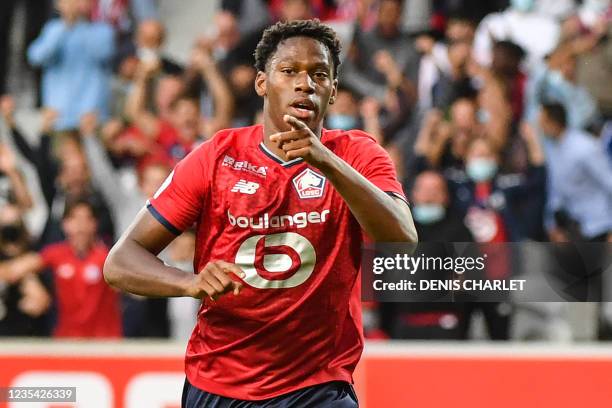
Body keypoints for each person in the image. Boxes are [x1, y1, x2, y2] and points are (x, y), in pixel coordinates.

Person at [104, 19, 416, 407]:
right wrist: (190, 282)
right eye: (289, 72)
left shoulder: (357, 154)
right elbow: (120, 262)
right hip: (220, 383)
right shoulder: (215, 157)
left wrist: (326, 162)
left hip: (317, 385)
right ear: (262, 84)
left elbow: (402, 237)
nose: (306, 84)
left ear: (333, 91)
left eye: (320, 74)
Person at [0, 199, 122, 338]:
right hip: (66, 342)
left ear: (94, 224)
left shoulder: (108, 259)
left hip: (103, 344)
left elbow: (130, 287)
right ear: (65, 224)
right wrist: (30, 280)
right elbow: (13, 271)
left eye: (86, 219)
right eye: (74, 219)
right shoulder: (55, 254)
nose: (80, 227)